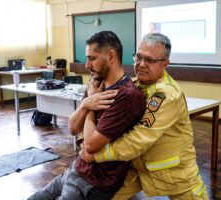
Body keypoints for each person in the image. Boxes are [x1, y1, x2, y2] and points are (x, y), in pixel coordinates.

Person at [80, 33, 209, 200]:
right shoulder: (136, 85)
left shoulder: (166, 95)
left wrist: (97, 155)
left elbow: (139, 138)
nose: (141, 64)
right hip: (140, 167)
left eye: (149, 60)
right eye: (138, 57)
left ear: (165, 64)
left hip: (177, 174)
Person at [28, 31, 146, 200]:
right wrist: (85, 103)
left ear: (111, 56)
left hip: (94, 184)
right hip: (76, 170)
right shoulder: (96, 84)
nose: (86, 65)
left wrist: (89, 106)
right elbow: (72, 127)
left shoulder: (127, 96)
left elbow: (90, 145)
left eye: (92, 58)